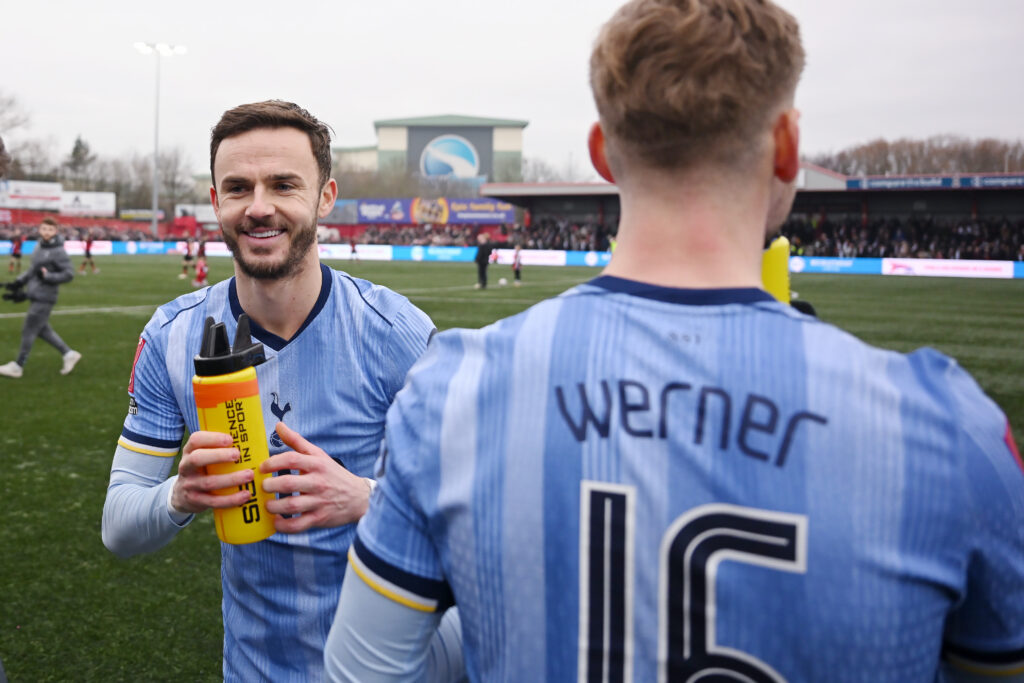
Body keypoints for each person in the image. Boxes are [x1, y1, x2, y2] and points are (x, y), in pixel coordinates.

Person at [324, 1, 1024, 681]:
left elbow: (363, 670)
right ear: (787, 147)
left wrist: (491, 612)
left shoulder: (454, 391)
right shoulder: (951, 427)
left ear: (601, 151)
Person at [101, 100, 461, 681]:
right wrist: (180, 496)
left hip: (391, 668)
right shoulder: (171, 336)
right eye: (238, 188)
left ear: (325, 197)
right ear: (216, 202)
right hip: (253, 668)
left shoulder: (397, 333)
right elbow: (118, 526)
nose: (260, 207)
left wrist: (365, 496)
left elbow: (481, 509)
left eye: (284, 185)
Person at [0, 217, 82, 378]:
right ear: (40, 230)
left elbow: (69, 274)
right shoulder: (39, 246)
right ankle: (69, 354)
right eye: (44, 229)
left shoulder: (59, 251)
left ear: (55, 231)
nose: (46, 232)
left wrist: (48, 276)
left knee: (29, 329)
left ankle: (18, 366)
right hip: (35, 293)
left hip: (46, 297)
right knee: (42, 329)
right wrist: (17, 282)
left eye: (50, 230)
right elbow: (33, 270)